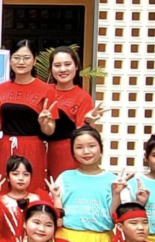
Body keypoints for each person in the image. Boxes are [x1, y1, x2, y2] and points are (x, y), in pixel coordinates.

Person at [48, 126, 116, 242]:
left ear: (101, 149)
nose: (86, 151)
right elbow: (56, 214)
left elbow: (116, 217)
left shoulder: (113, 180)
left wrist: (116, 193)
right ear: (72, 152)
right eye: (79, 147)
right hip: (68, 240)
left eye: (91, 146)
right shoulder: (65, 178)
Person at [0, 41, 51, 191]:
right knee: (2, 190)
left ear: (35, 60)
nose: (21, 62)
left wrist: (44, 123)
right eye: (16, 57)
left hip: (33, 147)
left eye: (26, 58)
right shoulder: (1, 88)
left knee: (33, 191)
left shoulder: (46, 89)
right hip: (6, 147)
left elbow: (49, 130)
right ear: (10, 60)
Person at [42, 47, 107, 179]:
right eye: (57, 65)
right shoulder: (44, 91)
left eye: (67, 64)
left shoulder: (82, 97)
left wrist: (87, 122)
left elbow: (84, 136)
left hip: (66, 154)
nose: (62, 69)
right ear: (51, 69)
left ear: (76, 66)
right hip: (38, 150)